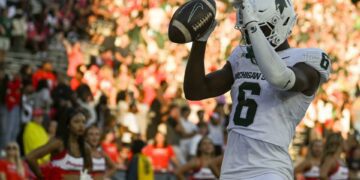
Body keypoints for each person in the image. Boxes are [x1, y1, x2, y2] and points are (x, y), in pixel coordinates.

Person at [183, 0, 331, 179]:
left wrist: (254, 26)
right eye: (245, 28)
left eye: (258, 27)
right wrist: (200, 40)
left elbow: (280, 78)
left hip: (269, 168)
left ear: (280, 22)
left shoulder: (307, 59)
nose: (249, 34)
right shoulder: (242, 56)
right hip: (231, 167)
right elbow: (195, 90)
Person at [25, 109, 93, 179]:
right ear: (68, 125)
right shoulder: (58, 143)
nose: (81, 125)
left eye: (83, 122)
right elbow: (30, 157)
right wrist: (43, 177)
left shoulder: (85, 147)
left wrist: (82, 177)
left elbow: (89, 167)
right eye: (76, 122)